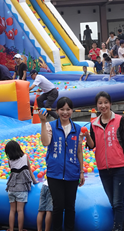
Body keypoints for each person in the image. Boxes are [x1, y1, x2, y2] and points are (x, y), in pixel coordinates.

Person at [83, 91, 124, 231]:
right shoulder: (94, 124)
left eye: (106, 102)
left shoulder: (120, 120)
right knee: (114, 203)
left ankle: (117, 229)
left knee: (118, 203)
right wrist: (87, 135)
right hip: (103, 168)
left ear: (110, 104)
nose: (103, 105)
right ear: (97, 105)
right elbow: (92, 145)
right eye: (100, 103)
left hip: (120, 167)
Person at [39, 97, 84, 231]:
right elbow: (45, 143)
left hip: (72, 173)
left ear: (72, 110)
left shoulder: (77, 128)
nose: (65, 112)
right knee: (58, 206)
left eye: (68, 109)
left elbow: (79, 151)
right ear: (57, 111)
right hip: (55, 174)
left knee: (70, 206)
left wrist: (81, 171)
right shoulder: (51, 126)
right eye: (62, 109)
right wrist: (42, 122)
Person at [5, 140, 37, 231]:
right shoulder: (25, 157)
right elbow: (30, 171)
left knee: (12, 210)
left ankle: (11, 229)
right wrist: (34, 181)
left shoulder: (10, 161)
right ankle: (20, 229)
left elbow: (13, 173)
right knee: (20, 210)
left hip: (11, 188)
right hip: (21, 188)